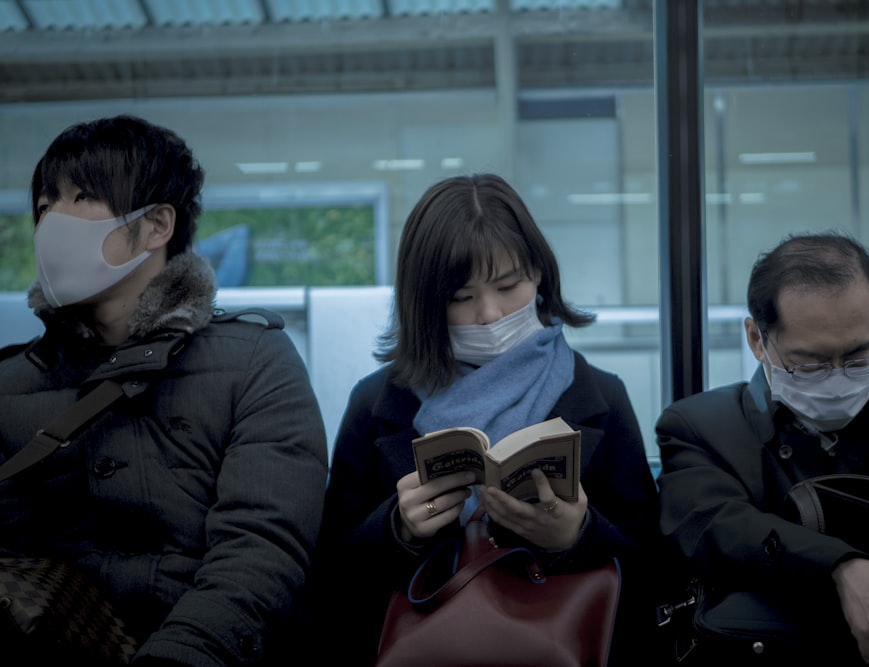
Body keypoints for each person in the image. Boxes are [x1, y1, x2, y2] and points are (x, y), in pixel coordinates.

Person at [0, 115, 329, 666]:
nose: (52, 221)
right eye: (43, 205)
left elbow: (261, 550)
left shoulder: (254, 361)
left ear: (156, 225)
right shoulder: (12, 382)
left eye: (81, 197)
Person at [309, 173, 663, 665]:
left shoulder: (599, 394)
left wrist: (576, 536)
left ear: (540, 274)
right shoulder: (378, 403)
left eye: (508, 285)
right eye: (461, 297)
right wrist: (399, 529)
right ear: (426, 302)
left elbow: (654, 564)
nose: (490, 314)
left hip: (562, 645)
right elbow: (326, 575)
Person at [656, 232, 869, 666]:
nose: (838, 379)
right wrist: (845, 569)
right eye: (809, 363)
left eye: (859, 356)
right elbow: (716, 526)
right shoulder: (699, 427)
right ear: (757, 339)